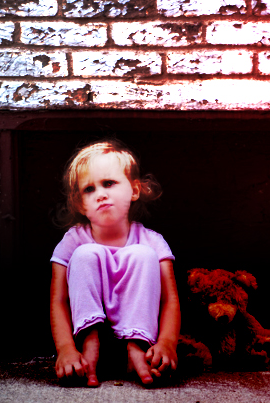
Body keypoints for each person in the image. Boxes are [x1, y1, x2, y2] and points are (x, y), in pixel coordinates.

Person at [49, 139, 180, 387]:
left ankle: (136, 347)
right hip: (86, 349)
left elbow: (169, 300)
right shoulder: (73, 241)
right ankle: (91, 343)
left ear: (134, 190)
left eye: (108, 183)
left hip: (145, 344)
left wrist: (167, 343)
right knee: (85, 254)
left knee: (142, 255)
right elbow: (58, 301)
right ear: (80, 204)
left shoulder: (153, 242)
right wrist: (65, 349)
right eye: (89, 189)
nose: (100, 194)